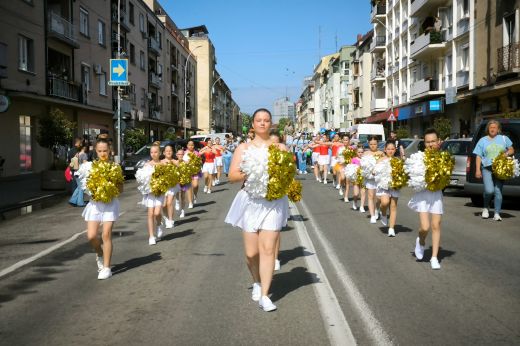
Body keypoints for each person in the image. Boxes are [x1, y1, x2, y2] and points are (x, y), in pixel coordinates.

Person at [225, 108, 289, 312]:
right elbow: (232, 176)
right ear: (252, 124)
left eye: (266, 120)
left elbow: (289, 175)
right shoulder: (243, 148)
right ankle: (257, 281)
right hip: (250, 201)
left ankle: (265, 296)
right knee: (252, 254)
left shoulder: (281, 148)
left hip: (273, 201)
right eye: (258, 120)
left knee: (268, 249)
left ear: (271, 124)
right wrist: (251, 172)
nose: (262, 123)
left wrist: (280, 179)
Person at [82, 138, 123, 280]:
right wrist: (93, 189)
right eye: (100, 151)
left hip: (110, 204)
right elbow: (85, 187)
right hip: (95, 204)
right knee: (91, 236)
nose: (103, 153)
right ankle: (99, 253)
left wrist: (111, 187)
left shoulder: (115, 167)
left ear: (110, 151)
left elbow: (120, 189)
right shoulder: (90, 167)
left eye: (105, 150)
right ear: (95, 151)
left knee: (106, 235)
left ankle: (106, 268)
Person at [408, 128, 445, 270]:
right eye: (428, 142)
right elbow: (413, 178)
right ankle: (421, 240)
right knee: (425, 227)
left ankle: (434, 257)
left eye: (433, 141)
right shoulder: (419, 158)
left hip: (436, 194)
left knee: (436, 225)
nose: (430, 144)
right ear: (424, 143)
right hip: (423, 194)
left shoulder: (443, 158)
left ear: (438, 142)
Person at [473, 120, 515, 221]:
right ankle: (486, 208)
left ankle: (497, 213)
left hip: (500, 169)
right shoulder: (482, 140)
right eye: (491, 127)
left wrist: (506, 154)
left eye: (494, 127)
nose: (492, 129)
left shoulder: (504, 139)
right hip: (487, 168)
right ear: (488, 129)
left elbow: (511, 149)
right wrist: (477, 170)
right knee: (489, 190)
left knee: (498, 191)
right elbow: (478, 156)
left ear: (498, 129)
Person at [141, 142, 165, 245]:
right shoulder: (147, 164)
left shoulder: (163, 164)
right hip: (150, 192)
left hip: (160, 192)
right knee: (150, 214)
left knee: (157, 213)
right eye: (152, 152)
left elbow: (167, 179)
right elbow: (143, 179)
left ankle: (159, 224)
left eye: (156, 152)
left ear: (160, 153)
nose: (153, 154)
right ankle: (151, 236)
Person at [376, 141, 401, 237]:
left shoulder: (398, 160)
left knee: (393, 206)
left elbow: (401, 174)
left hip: (394, 186)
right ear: (385, 150)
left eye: (392, 149)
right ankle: (383, 213)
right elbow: (375, 172)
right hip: (383, 186)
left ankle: (391, 228)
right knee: (385, 203)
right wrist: (375, 172)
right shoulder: (380, 160)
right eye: (389, 149)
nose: (390, 151)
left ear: (395, 150)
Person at [363, 136, 384, 224]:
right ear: (368, 144)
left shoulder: (381, 153)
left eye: (374, 144)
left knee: (379, 197)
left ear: (377, 144)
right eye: (371, 144)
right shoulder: (366, 153)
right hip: (370, 178)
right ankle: (372, 216)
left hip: (379, 178)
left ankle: (377, 208)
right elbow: (362, 166)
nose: (373, 146)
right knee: (371, 196)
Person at [161, 144, 179, 229]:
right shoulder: (161, 162)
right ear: (164, 152)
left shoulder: (175, 161)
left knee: (169, 202)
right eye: (167, 151)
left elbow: (182, 165)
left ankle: (171, 220)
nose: (168, 152)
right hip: (163, 185)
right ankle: (166, 218)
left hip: (172, 185)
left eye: (170, 150)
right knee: (163, 205)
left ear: (172, 152)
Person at [185, 140, 201, 206]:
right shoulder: (184, 153)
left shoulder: (196, 153)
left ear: (194, 146)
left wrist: (197, 163)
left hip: (195, 172)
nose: (191, 146)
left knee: (195, 185)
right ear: (187, 146)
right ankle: (190, 202)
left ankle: (195, 194)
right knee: (188, 188)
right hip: (187, 172)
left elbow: (200, 161)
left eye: (192, 145)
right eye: (189, 145)